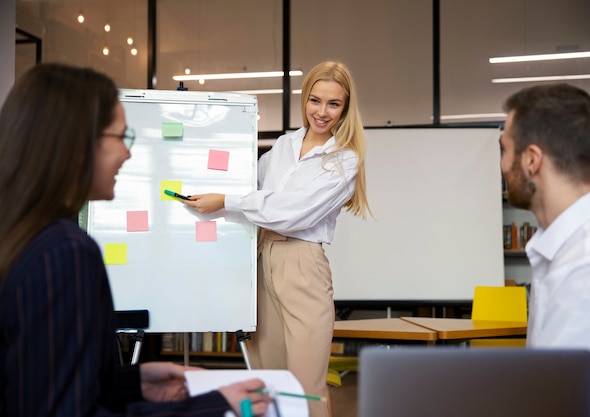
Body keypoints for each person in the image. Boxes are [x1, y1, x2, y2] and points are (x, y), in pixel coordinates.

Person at [0, 63, 270, 417]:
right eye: (121, 138)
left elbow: (36, 382)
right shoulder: (64, 252)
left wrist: (133, 382)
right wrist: (211, 406)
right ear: (77, 143)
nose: (128, 154)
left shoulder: (22, 235)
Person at [183, 61, 370, 417]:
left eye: (334, 104)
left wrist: (226, 200)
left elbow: (292, 211)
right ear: (305, 99)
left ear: (346, 107)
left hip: (303, 265)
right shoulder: (284, 145)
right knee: (266, 382)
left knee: (304, 389)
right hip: (261, 256)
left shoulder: (345, 160)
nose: (322, 112)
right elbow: (249, 190)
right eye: (315, 100)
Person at [500, 83, 590, 417]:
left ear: (531, 160)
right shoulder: (570, 249)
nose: (501, 165)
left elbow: (548, 403)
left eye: (505, 150)